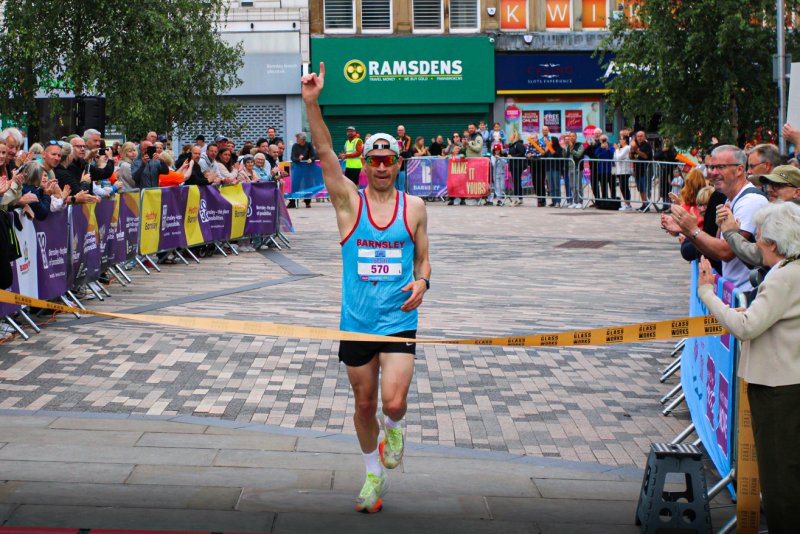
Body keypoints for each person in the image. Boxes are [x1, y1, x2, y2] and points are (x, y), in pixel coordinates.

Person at [302, 63, 431, 515]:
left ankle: (395, 427)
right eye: (373, 160)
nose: (380, 167)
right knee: (363, 405)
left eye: (387, 160)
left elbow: (423, 259)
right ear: (366, 163)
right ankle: (372, 476)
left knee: (392, 403)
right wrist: (312, 104)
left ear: (398, 163)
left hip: (398, 318)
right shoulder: (347, 203)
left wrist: (423, 282)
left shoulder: (414, 207)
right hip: (356, 321)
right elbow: (323, 151)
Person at [697, 202, 800, 534]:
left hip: (777, 389)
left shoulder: (783, 277)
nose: (757, 248)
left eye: (760, 241)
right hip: (788, 381)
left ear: (773, 242)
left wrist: (708, 294)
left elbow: (746, 327)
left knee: (779, 480)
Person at [664, 145, 768, 291]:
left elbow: (725, 252)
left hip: (747, 295)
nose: (712, 173)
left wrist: (692, 229)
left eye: (720, 167)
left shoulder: (751, 201)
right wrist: (686, 230)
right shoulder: (729, 200)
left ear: (739, 169)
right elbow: (716, 247)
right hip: (732, 291)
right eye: (710, 167)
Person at [718, 165, 800, 268]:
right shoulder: (784, 215)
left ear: (797, 192)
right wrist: (733, 232)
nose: (769, 189)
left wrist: (731, 233)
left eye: (777, 185)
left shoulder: (791, 218)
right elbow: (757, 260)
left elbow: (758, 255)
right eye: (768, 185)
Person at [630, 131, 653, 211]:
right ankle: (644, 204)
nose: (639, 138)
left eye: (641, 136)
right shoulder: (636, 145)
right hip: (637, 170)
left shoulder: (647, 145)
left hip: (645, 170)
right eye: (638, 136)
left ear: (644, 137)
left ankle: (646, 205)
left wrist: (637, 151)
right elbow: (631, 157)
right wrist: (631, 150)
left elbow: (646, 156)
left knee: (645, 187)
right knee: (640, 188)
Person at [613, 133, 633, 211]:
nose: (619, 140)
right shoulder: (620, 148)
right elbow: (615, 157)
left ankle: (628, 204)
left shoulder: (627, 148)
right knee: (622, 187)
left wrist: (617, 149)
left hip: (625, 171)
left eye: (621, 139)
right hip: (619, 170)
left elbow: (619, 157)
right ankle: (626, 203)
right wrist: (617, 149)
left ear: (625, 140)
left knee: (625, 187)